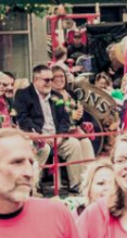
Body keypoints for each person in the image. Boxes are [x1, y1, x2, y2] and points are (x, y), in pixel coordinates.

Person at [12, 64, 92, 193]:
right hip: (36, 136)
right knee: (43, 147)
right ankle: (32, 186)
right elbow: (23, 119)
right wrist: (40, 135)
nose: (50, 83)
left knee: (74, 145)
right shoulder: (23, 95)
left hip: (56, 137)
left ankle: (76, 185)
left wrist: (60, 135)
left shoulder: (56, 97)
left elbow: (64, 119)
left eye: (51, 79)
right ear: (36, 80)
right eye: (47, 80)